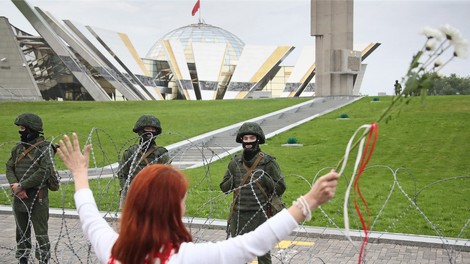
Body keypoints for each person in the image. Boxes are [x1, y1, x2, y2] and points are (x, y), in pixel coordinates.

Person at [57, 133, 338, 264]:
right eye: (181, 199)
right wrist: (309, 201)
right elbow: (253, 243)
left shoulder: (113, 250)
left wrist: (79, 173)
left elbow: (90, 216)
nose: (185, 204)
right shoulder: (185, 258)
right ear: (169, 210)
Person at [220, 122, 286, 264]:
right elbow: (224, 188)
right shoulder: (235, 163)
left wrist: (264, 177)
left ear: (258, 139)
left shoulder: (268, 162)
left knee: (263, 256)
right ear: (242, 141)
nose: (248, 142)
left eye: (251, 138)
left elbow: (280, 187)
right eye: (245, 138)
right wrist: (234, 178)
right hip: (239, 215)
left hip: (260, 215)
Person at [6, 113, 54, 264]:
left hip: (37, 197)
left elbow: (44, 172)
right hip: (19, 196)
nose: (20, 131)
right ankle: (23, 258)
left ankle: (43, 259)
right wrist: (16, 186)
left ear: (32, 130)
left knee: (41, 232)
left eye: (22, 128)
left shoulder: (45, 149)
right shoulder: (17, 149)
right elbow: (9, 167)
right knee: (21, 231)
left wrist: (22, 185)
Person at [118, 114, 170, 206]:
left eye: (153, 129)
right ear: (140, 130)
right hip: (133, 194)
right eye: (147, 128)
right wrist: (127, 190)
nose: (150, 132)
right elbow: (122, 174)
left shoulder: (161, 153)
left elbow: (166, 177)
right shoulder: (130, 152)